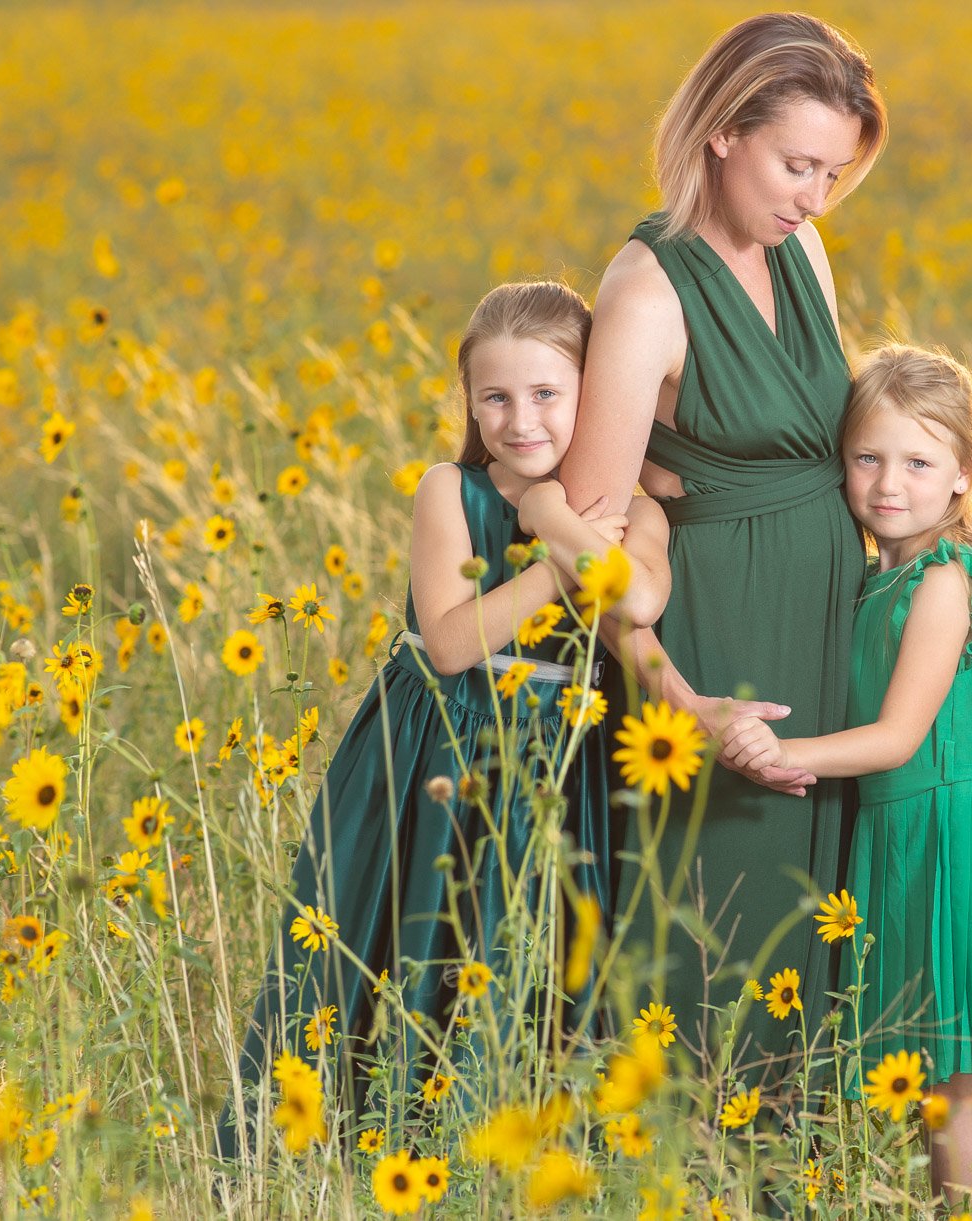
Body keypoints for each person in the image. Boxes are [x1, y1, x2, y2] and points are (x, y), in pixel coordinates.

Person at [555, 12, 972, 1079]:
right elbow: (587, 546)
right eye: (797, 165)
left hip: (827, 639)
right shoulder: (646, 296)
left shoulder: (798, 245)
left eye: (831, 172)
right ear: (722, 129)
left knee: (808, 942)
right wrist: (688, 706)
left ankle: (796, 1182)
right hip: (715, 657)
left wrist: (969, 525)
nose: (815, 197)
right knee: (715, 937)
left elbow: (858, 443)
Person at [217, 280, 670, 1161]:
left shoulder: (637, 508)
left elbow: (640, 593)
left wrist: (557, 516)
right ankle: (367, 1144)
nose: (519, 419)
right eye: (493, 397)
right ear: (469, 403)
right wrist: (551, 551)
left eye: (546, 394)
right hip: (440, 745)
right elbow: (455, 642)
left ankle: (500, 1148)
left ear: (597, 393)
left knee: (525, 944)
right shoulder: (448, 490)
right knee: (415, 931)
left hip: (560, 755)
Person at [719, 344, 972, 1213]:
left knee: (955, 1075)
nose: (886, 484)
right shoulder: (885, 570)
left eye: (918, 462)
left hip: (959, 828)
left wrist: (781, 753)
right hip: (903, 830)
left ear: (964, 472)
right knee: (924, 1070)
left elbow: (900, 735)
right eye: (867, 457)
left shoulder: (945, 578)